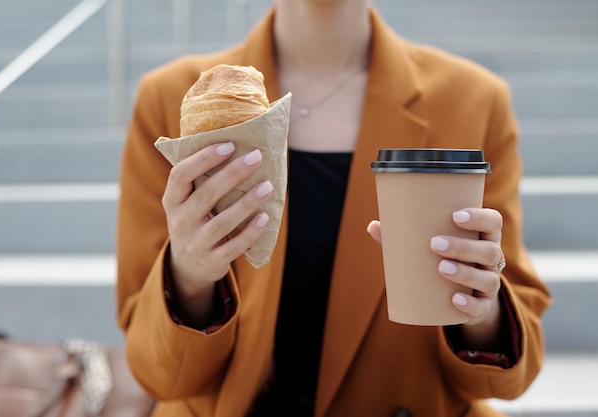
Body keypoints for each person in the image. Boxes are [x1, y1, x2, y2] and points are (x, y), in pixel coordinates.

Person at [115, 1, 551, 416]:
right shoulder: (176, 98)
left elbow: (508, 378)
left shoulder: (472, 100)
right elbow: (160, 374)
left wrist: (480, 307)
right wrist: (190, 276)